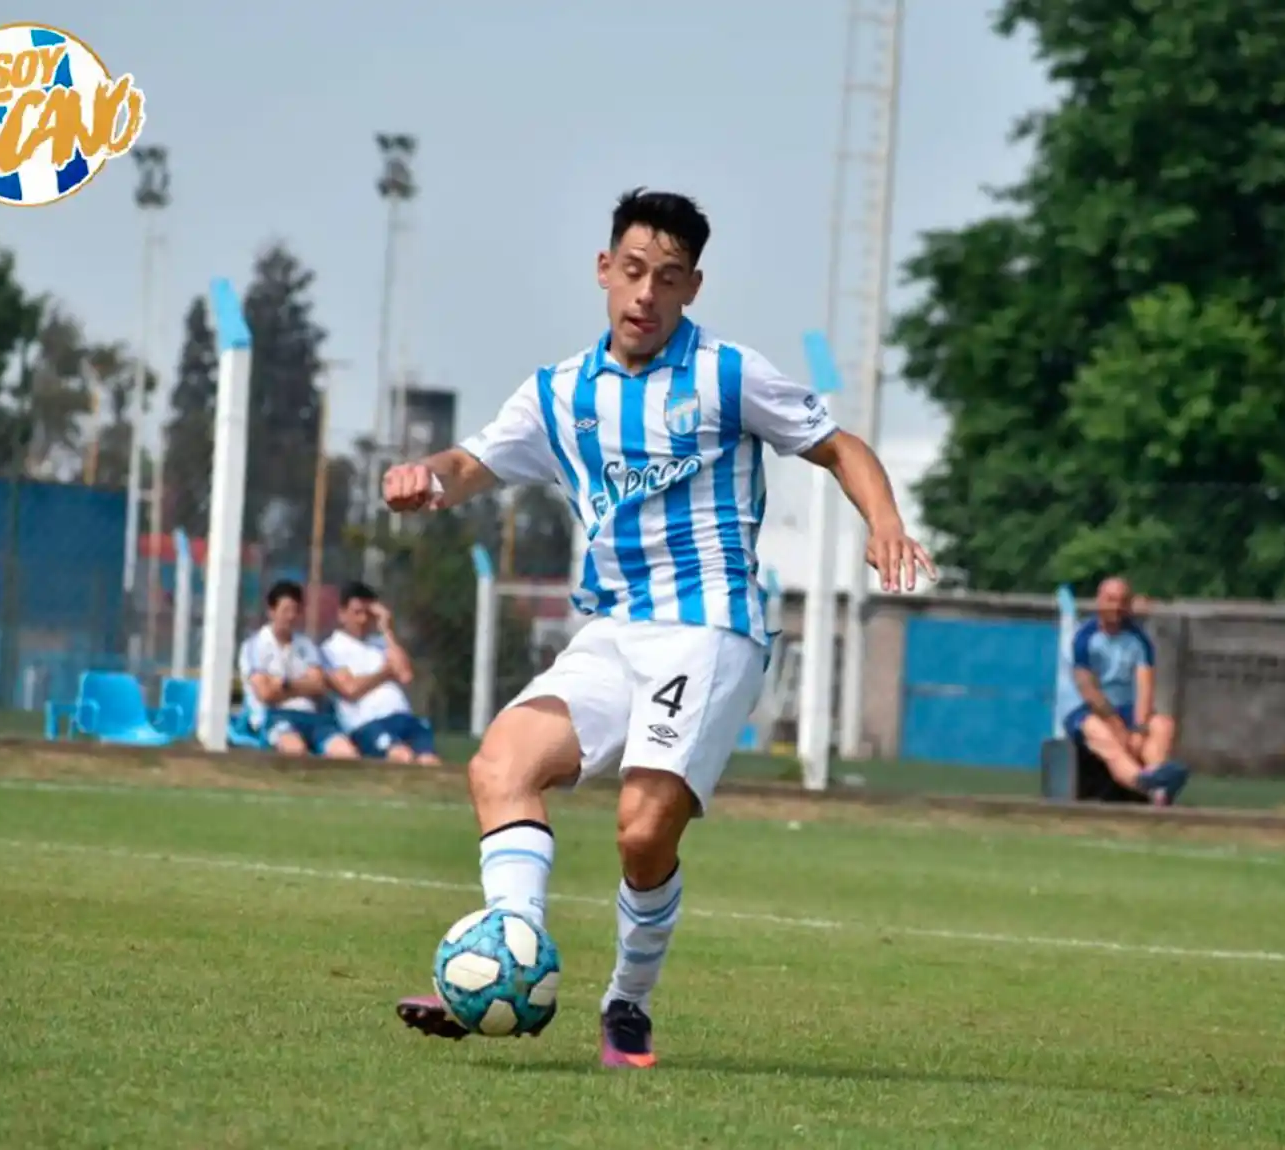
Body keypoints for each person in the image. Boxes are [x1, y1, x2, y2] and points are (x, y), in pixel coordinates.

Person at [382, 188, 936, 1068]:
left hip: (713, 625)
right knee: (501, 764)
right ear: (605, 271)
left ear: (692, 289)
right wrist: (426, 477)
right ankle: (509, 960)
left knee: (643, 832)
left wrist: (886, 523)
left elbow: (840, 446)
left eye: (668, 279)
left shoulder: (727, 375)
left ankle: (626, 1003)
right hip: (614, 631)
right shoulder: (559, 393)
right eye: (633, 271)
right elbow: (471, 463)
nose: (646, 293)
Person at [1057, 576, 1188, 804]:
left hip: (1126, 708)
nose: (1116, 607)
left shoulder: (1139, 639)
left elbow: (1145, 686)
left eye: (1121, 601)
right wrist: (1117, 726)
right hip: (1085, 710)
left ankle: (1157, 780)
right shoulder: (1084, 638)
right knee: (1103, 734)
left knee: (1162, 725)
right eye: (1110, 600)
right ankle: (1146, 785)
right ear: (1099, 601)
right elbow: (1089, 691)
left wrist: (1138, 728)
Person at [320, 581, 442, 766]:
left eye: (368, 614)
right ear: (342, 614)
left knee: (430, 761)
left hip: (402, 716)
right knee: (402, 757)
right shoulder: (331, 648)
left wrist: (386, 628)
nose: (362, 620)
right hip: (368, 723)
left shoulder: (381, 643)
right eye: (357, 613)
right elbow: (350, 689)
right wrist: (385, 672)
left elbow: (405, 674)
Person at [237, 579, 357, 759]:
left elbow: (319, 686)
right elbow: (265, 694)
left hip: (313, 716)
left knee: (347, 754)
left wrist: (284, 685)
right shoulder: (255, 646)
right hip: (275, 717)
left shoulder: (306, 645)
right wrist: (303, 686)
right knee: (296, 752)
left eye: (295, 610)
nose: (291, 616)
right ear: (271, 611)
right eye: (285, 610)